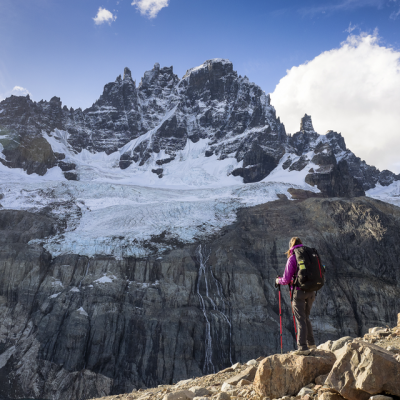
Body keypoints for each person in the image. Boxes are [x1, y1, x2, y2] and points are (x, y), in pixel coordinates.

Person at [275, 237, 316, 355]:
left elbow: (286, 279)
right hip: (312, 291)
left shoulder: (293, 257)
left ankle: (302, 347)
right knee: (306, 317)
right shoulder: (309, 255)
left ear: (291, 246)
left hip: (299, 292)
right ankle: (312, 344)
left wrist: (278, 281)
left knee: (300, 319)